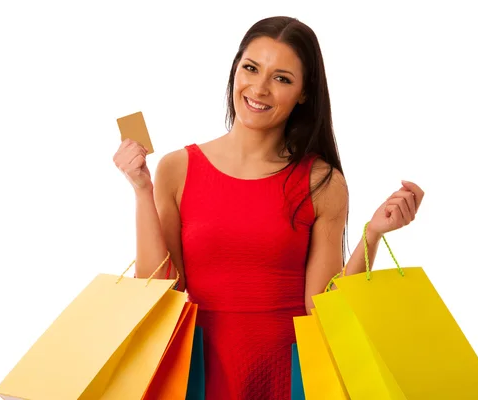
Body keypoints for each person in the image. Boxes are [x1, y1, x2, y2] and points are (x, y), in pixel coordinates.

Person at [113, 15, 424, 400]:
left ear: (304, 93)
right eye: (251, 68)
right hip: (199, 373)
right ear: (235, 70)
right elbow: (160, 289)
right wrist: (142, 191)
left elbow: (322, 308)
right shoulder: (177, 168)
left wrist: (372, 234)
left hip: (287, 375)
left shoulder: (321, 182)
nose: (259, 88)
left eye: (282, 78)